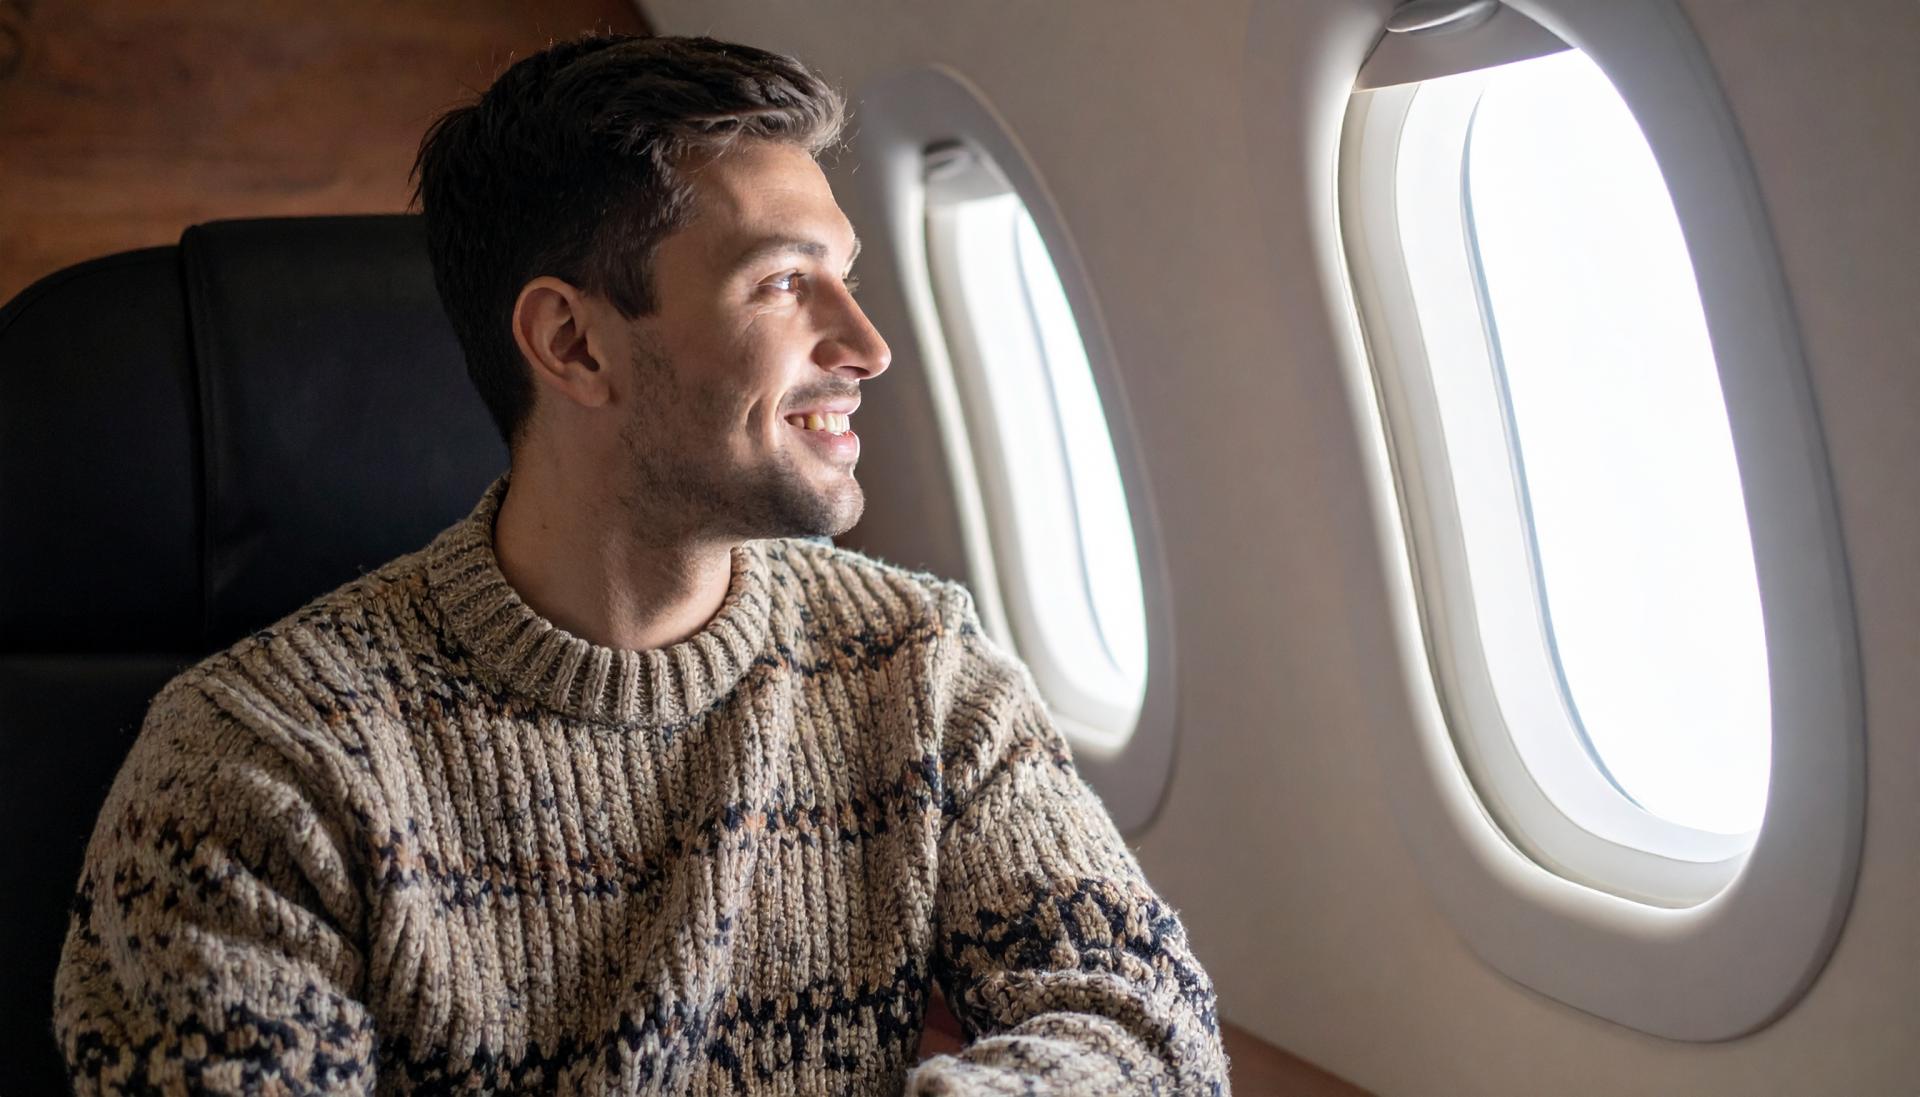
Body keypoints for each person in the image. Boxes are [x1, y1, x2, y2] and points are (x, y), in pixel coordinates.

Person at [52, 33, 1229, 1095]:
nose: (865, 346)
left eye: (847, 275)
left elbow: (1145, 1018)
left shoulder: (916, 669)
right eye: (780, 282)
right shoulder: (257, 760)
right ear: (573, 343)